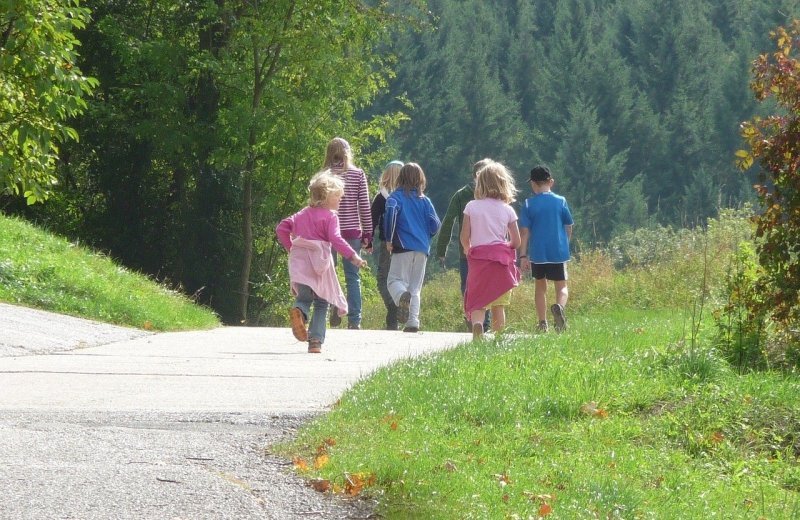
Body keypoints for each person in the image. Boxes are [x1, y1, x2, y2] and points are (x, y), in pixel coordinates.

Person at [276, 171, 368, 353]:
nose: (341, 201)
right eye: (338, 197)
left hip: (300, 263)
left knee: (303, 298)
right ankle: (316, 341)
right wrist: (353, 256)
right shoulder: (330, 216)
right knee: (321, 302)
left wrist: (291, 248)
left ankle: (299, 313)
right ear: (327, 196)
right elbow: (336, 239)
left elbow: (281, 228)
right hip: (320, 264)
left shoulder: (301, 214)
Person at [460, 160, 521, 340]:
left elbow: (464, 236)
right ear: (504, 183)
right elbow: (516, 241)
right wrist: (504, 248)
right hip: (500, 262)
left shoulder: (471, 206)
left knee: (478, 301)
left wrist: (467, 249)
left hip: (479, 260)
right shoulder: (508, 210)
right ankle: (499, 337)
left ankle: (478, 326)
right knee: (498, 305)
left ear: (480, 183)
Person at [383, 162, 441, 333]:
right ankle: (413, 321)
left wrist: (388, 238)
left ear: (401, 178)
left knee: (394, 281)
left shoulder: (395, 198)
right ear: (421, 179)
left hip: (403, 245)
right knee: (415, 287)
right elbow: (435, 224)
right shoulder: (426, 201)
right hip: (422, 248)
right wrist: (426, 236)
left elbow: (391, 216)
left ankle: (401, 297)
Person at [435, 159, 492, 331]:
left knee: (470, 286)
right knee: (482, 286)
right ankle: (479, 322)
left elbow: (448, 222)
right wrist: (441, 248)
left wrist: (441, 249)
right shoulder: (466, 196)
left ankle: (477, 321)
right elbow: (448, 222)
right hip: (481, 252)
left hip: (468, 251)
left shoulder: (463, 194)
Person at [322, 137, 372, 330]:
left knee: (328, 273)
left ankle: (333, 307)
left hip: (327, 231)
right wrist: (367, 234)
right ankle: (355, 320)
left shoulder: (324, 175)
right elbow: (365, 207)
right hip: (352, 231)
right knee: (353, 276)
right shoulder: (357, 174)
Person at [518, 165, 574, 332]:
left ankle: (542, 323)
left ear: (533, 184)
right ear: (551, 182)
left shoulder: (528, 204)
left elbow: (525, 232)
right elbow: (568, 226)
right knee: (562, 286)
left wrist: (523, 256)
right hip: (558, 251)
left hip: (538, 253)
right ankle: (559, 308)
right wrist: (566, 243)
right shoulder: (561, 201)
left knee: (540, 287)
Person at [370, 160, 403, 330]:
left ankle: (393, 306)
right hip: (407, 244)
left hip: (387, 243)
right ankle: (397, 313)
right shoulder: (409, 197)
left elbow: (372, 222)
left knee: (383, 278)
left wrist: (367, 241)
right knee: (400, 279)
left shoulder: (381, 198)